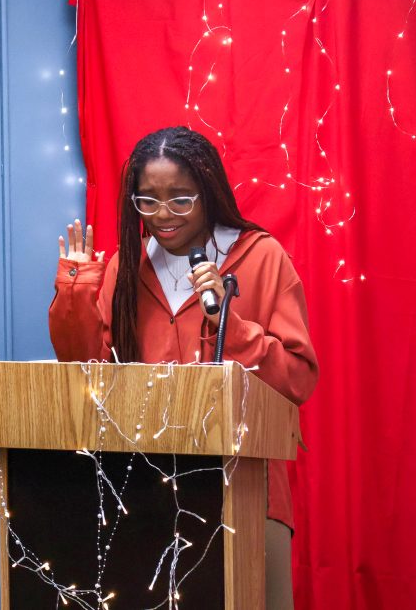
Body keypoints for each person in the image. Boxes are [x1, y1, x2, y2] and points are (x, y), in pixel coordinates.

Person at [49, 125, 318, 609]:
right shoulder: (125, 269)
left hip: (245, 493)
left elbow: (297, 379)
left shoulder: (260, 257)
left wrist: (229, 326)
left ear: (208, 192)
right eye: (147, 201)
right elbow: (87, 370)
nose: (163, 215)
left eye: (180, 199)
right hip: (141, 493)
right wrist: (74, 290)